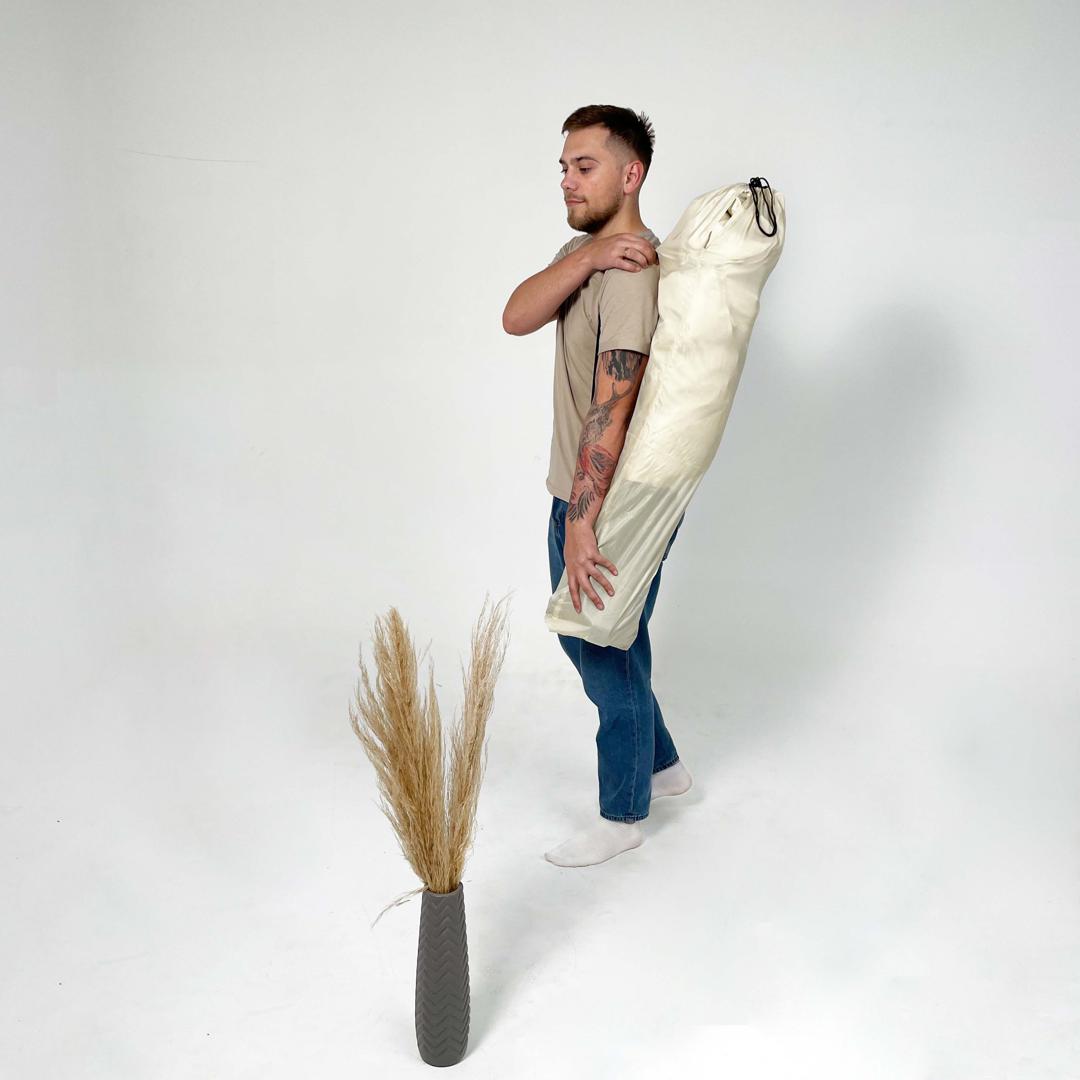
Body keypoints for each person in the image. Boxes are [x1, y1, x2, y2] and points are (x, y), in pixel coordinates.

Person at [502, 104, 692, 868]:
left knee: (603, 651)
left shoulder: (633, 275)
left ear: (630, 174)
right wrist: (586, 257)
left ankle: (622, 815)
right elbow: (516, 316)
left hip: (605, 502)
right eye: (564, 167)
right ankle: (664, 766)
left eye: (584, 166)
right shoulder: (584, 255)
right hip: (576, 493)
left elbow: (613, 405)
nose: (567, 181)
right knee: (606, 638)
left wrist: (583, 522)